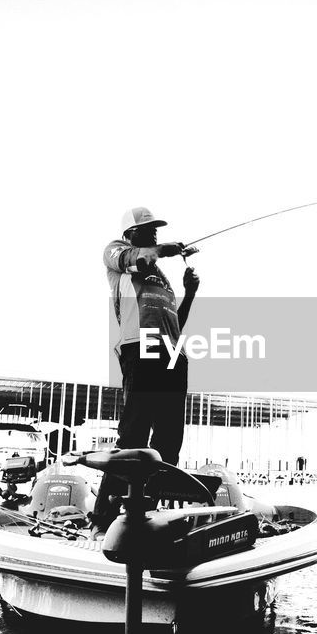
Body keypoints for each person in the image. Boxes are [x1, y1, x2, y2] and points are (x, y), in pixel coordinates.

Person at [92, 206, 199, 530]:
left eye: (156, 229)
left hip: (171, 353)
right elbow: (137, 258)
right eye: (147, 229)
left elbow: (174, 322)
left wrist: (190, 293)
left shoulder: (162, 279)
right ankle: (101, 519)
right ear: (130, 234)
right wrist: (162, 251)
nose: (154, 232)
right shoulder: (117, 253)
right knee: (134, 436)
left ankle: (144, 516)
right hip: (140, 347)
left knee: (169, 443)